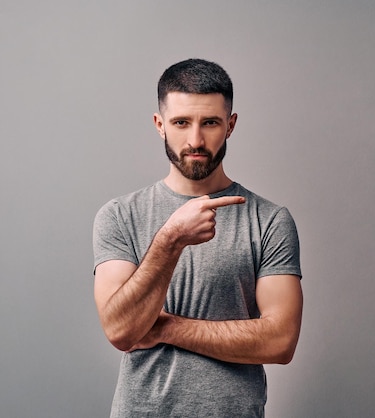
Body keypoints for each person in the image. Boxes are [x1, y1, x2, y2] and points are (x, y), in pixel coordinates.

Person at [92, 58, 303, 417]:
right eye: (181, 123)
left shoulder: (269, 220)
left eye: (210, 123)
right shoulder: (119, 215)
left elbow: (281, 341)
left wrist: (166, 327)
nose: (195, 140)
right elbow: (121, 331)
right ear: (160, 125)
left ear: (230, 125)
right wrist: (171, 238)